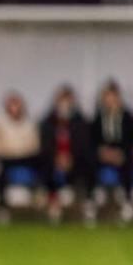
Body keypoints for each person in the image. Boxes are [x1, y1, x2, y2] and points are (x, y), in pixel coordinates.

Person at [0, 91, 40, 224]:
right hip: (4, 157)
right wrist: (0, 149)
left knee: (43, 164)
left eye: (17, 105)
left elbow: (35, 144)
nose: (15, 108)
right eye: (12, 105)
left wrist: (25, 150)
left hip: (25, 157)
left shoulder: (29, 123)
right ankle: (2, 208)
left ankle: (41, 200)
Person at [38, 85, 93, 225]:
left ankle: (88, 204)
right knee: (45, 166)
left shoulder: (81, 121)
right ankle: (53, 204)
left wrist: (70, 158)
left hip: (75, 160)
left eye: (67, 100)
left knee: (90, 165)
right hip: (53, 160)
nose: (64, 104)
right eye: (62, 100)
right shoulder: (47, 122)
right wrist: (57, 157)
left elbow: (84, 145)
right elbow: (45, 145)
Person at [90, 80, 133, 224]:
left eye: (113, 97)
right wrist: (103, 152)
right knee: (89, 161)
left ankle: (128, 202)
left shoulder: (130, 118)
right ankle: (93, 199)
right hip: (102, 155)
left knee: (129, 164)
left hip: (122, 154)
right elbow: (92, 140)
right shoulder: (97, 118)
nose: (110, 101)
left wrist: (120, 153)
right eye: (107, 97)